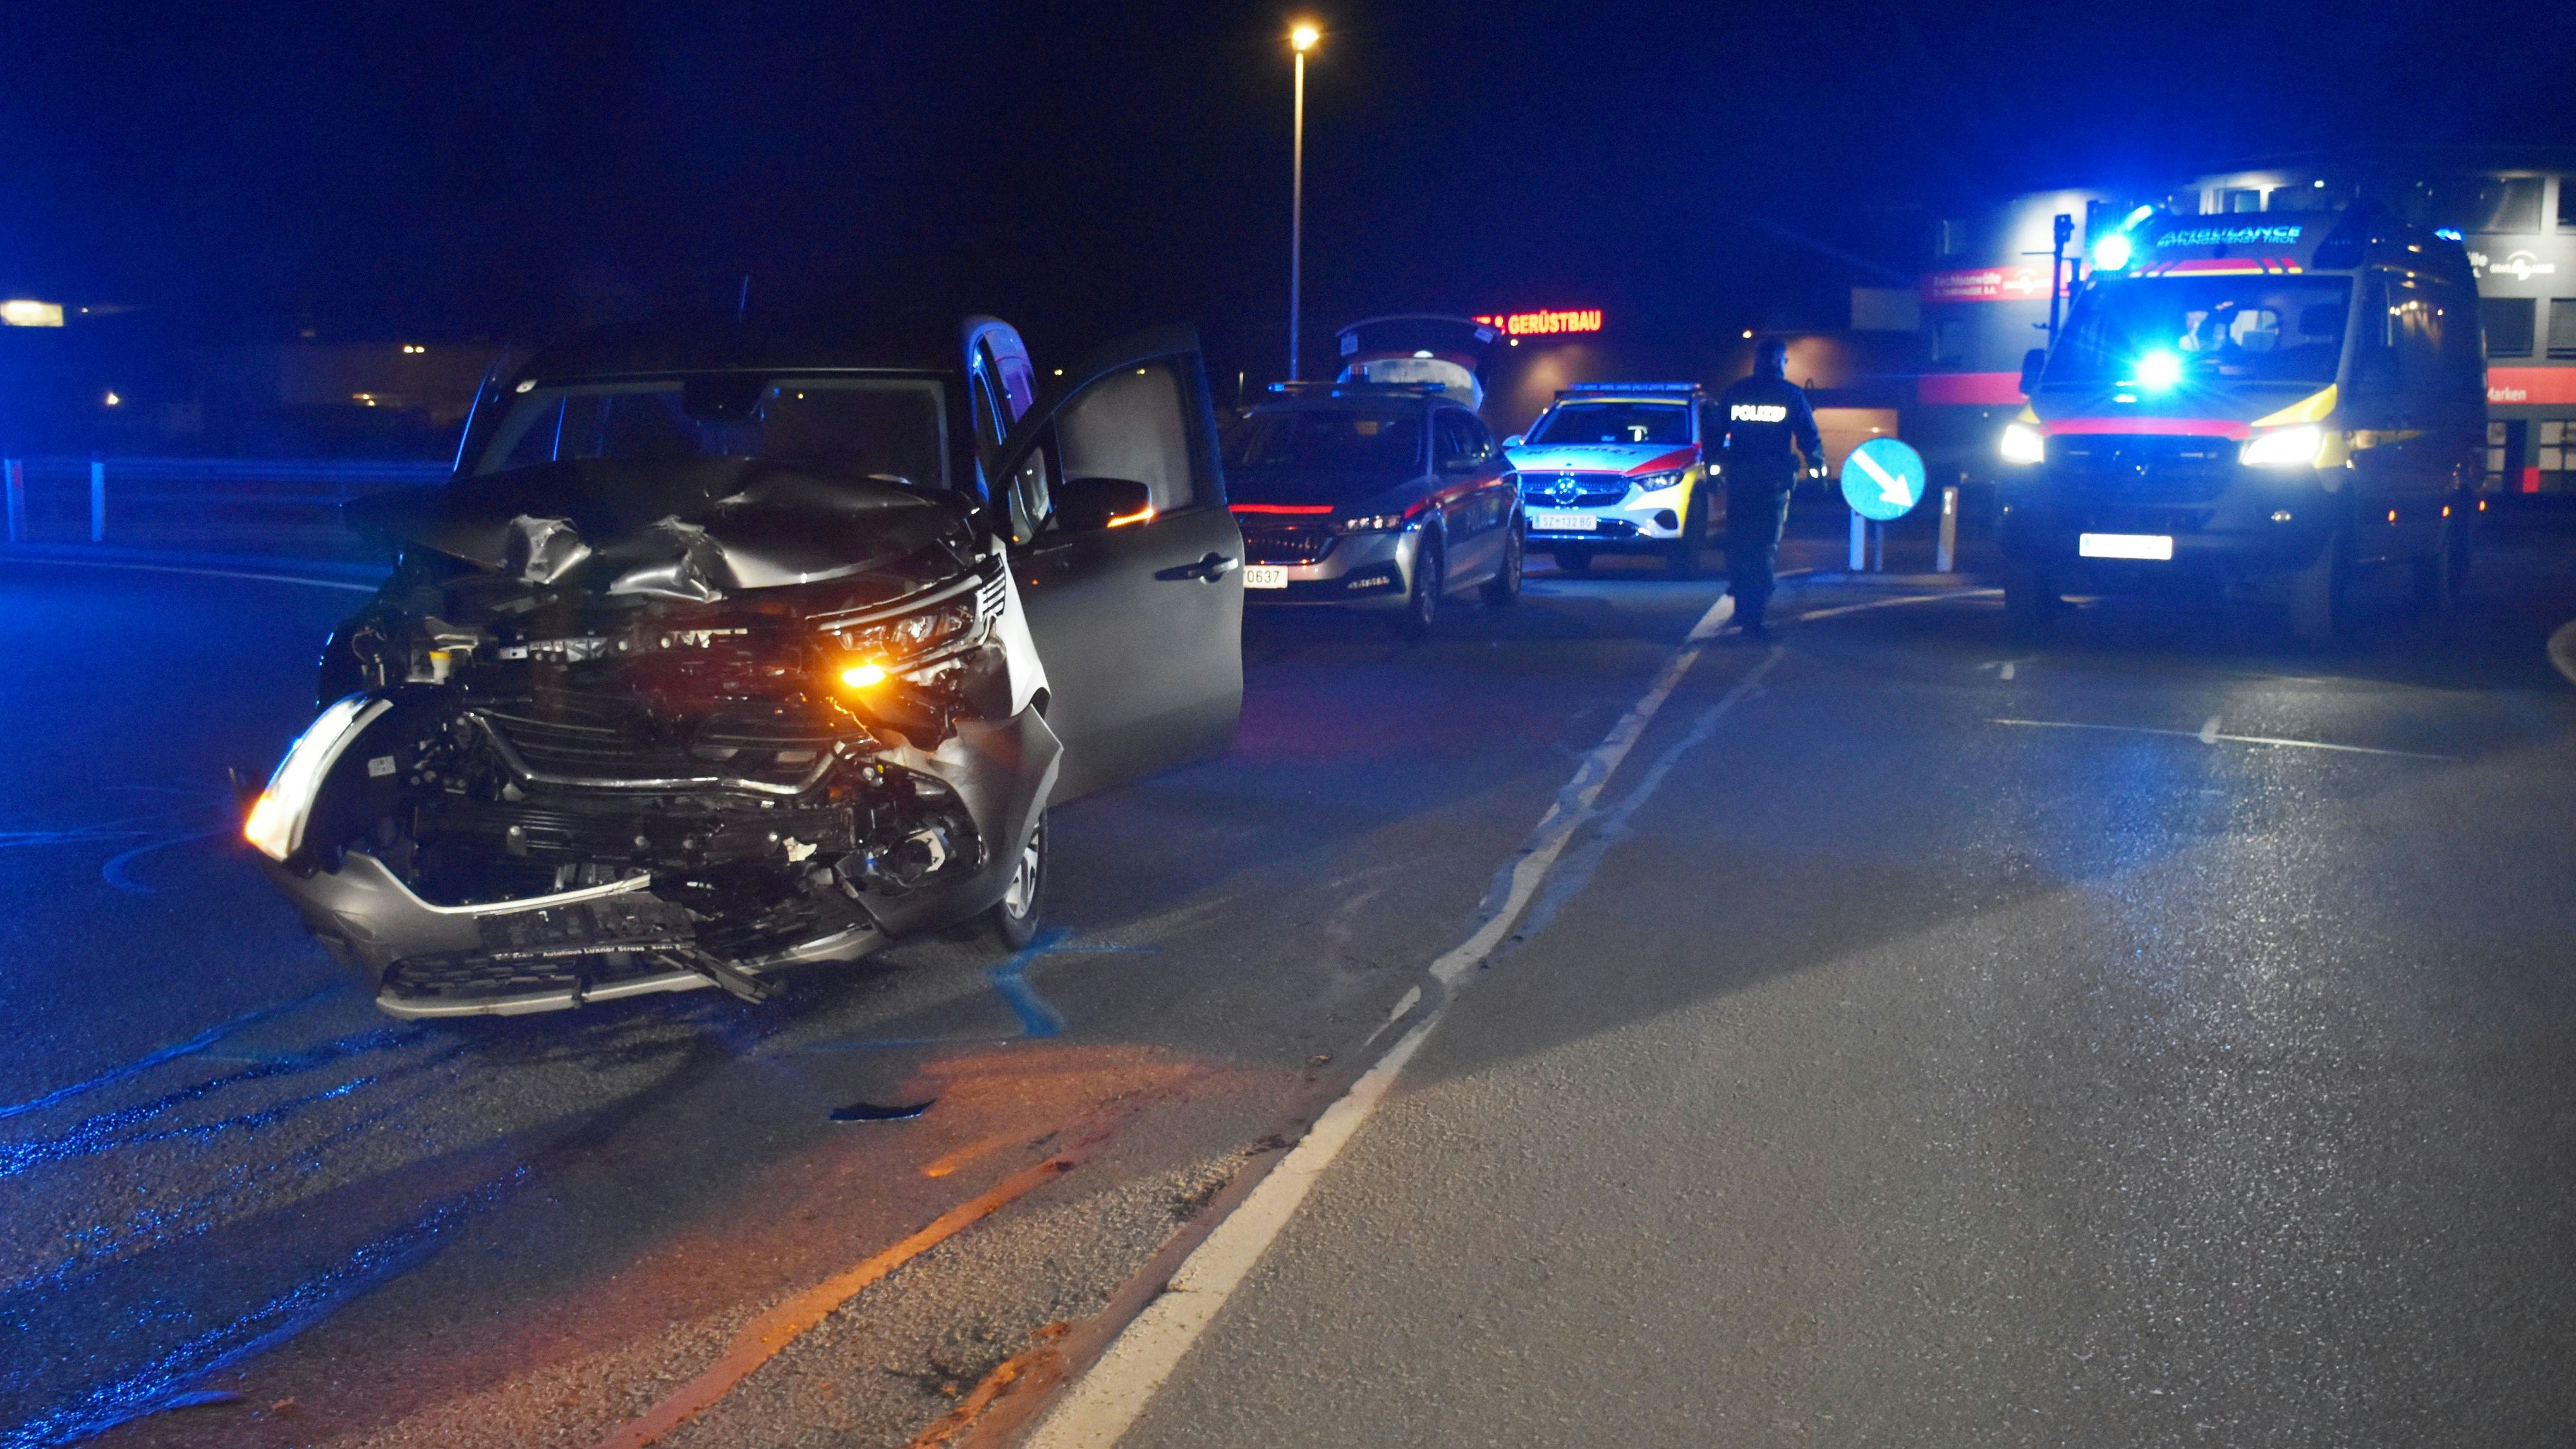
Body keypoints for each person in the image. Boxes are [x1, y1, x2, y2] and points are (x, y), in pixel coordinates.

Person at [1713, 337, 1825, 637]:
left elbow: (1715, 433)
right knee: (1764, 545)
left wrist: (1714, 471)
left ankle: (1740, 591)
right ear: (1779, 361)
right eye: (1785, 360)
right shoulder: (1790, 395)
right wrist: (1817, 470)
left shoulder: (1736, 392)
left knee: (1738, 540)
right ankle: (1756, 607)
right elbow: (1808, 436)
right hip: (1773, 485)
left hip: (1740, 482)